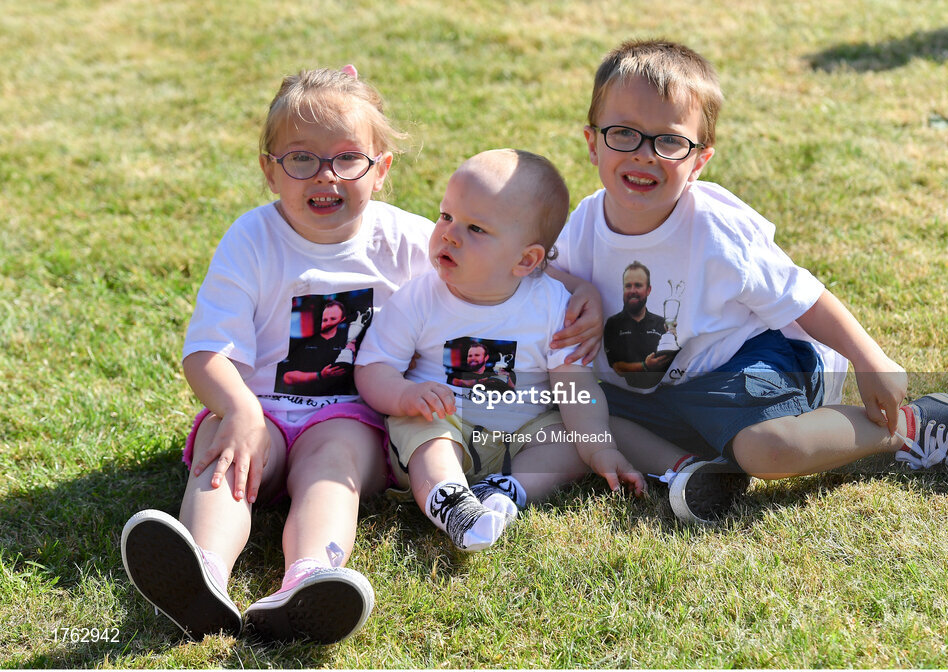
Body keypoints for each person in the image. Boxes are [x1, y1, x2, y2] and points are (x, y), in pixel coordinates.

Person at [549, 39, 948, 524]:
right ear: (592, 143)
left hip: (748, 363)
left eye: (669, 141)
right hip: (662, 390)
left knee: (766, 450)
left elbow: (805, 297)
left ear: (699, 161)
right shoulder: (583, 225)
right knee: (568, 411)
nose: (645, 154)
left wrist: (869, 358)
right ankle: (694, 472)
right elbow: (543, 274)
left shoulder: (714, 228)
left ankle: (910, 428)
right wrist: (576, 286)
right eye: (624, 133)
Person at [118, 65, 438, 645]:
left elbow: (494, 270)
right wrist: (239, 412)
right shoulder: (252, 239)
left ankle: (311, 578)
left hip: (351, 418)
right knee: (227, 462)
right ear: (270, 170)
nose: (325, 177)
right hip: (257, 409)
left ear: (381, 168)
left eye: (347, 158)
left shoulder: (409, 242)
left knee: (330, 466)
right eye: (301, 159)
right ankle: (203, 574)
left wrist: (575, 293)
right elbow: (207, 352)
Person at [355, 149, 645, 552]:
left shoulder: (552, 305)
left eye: (475, 228)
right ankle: (453, 502)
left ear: (526, 260)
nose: (450, 234)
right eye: (446, 216)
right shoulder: (420, 297)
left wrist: (599, 447)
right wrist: (404, 395)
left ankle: (508, 490)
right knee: (423, 434)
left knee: (571, 438)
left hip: (522, 435)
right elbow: (373, 366)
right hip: (443, 421)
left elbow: (574, 387)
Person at [603, 261, 674, 388]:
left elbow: (671, 363)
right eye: (628, 286)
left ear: (648, 290)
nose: (632, 291)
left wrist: (673, 340)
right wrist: (645, 366)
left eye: (638, 285)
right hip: (621, 395)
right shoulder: (613, 324)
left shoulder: (661, 323)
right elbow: (617, 367)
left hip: (665, 392)